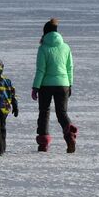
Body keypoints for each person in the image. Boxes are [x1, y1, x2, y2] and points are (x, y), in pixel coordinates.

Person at [32, 18, 77, 153]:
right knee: (62, 113)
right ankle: (70, 134)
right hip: (63, 84)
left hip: (45, 85)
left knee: (44, 112)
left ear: (45, 33)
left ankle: (43, 142)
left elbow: (41, 70)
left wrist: (35, 87)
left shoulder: (43, 48)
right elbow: (70, 68)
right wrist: (70, 84)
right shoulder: (66, 47)